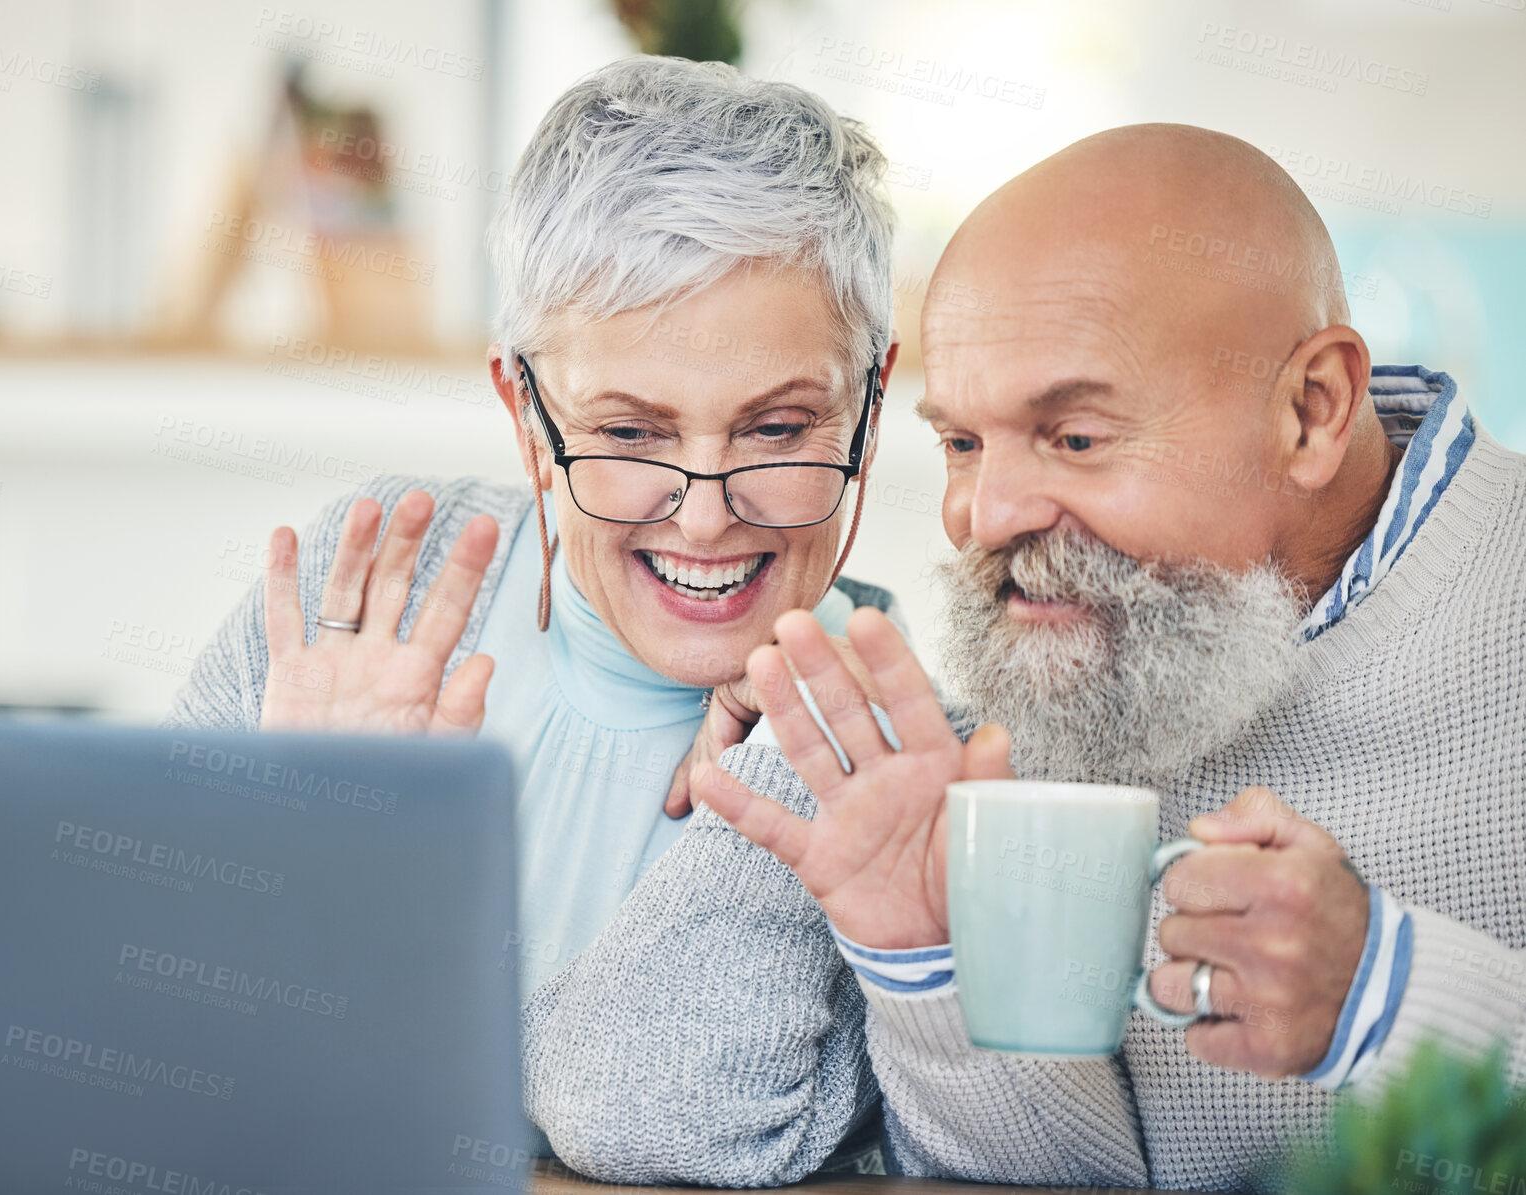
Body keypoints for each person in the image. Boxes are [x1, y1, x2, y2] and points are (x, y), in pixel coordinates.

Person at [525, 123, 1525, 1191]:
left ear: (1309, 410)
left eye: (1073, 438)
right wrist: (917, 953)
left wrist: (1389, 993)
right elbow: (632, 1113)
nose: (982, 515)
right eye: (959, 442)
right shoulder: (1035, 668)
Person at [162, 55, 902, 1158]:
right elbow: (139, 1052)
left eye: (776, 430)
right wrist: (300, 857)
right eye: (631, 433)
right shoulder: (369, 591)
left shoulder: (887, 750)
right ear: (523, 410)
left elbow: (662, 1130)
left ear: (870, 405)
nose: (703, 520)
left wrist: (771, 778)